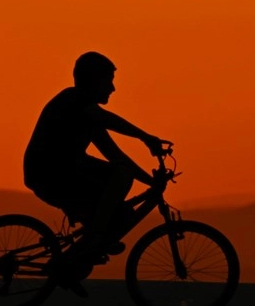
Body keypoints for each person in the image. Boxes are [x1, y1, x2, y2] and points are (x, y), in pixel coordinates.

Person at [24, 52, 165, 293]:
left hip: (65, 173)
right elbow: (108, 120)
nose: (112, 88)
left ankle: (80, 255)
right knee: (119, 183)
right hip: (50, 174)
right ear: (92, 80)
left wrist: (151, 182)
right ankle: (96, 237)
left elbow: (116, 156)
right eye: (108, 80)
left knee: (121, 208)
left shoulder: (87, 115)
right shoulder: (73, 99)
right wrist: (145, 137)